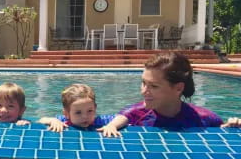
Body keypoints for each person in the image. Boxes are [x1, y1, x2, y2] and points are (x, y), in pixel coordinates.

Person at [98, 52, 241, 137]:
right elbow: (120, 118)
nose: (144, 91)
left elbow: (219, 134)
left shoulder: (204, 118)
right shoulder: (136, 113)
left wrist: (231, 126)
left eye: (153, 86)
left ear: (178, 88)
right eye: (143, 83)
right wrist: (111, 126)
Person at [38, 83, 114, 132]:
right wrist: (53, 120)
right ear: (66, 113)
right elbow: (41, 120)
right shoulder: (64, 121)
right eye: (78, 112)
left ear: (95, 108)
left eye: (90, 111)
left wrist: (111, 126)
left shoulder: (99, 121)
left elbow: (121, 118)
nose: (85, 116)